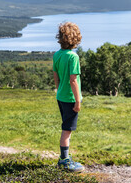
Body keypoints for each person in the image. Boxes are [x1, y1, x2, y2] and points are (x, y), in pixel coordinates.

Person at [53, 22, 84, 172]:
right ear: (76, 38)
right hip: (70, 99)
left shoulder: (57, 54)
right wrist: (78, 101)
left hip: (61, 96)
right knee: (67, 130)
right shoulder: (73, 57)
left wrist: (58, 89)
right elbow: (73, 80)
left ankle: (64, 158)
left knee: (66, 127)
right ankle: (64, 161)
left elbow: (55, 74)